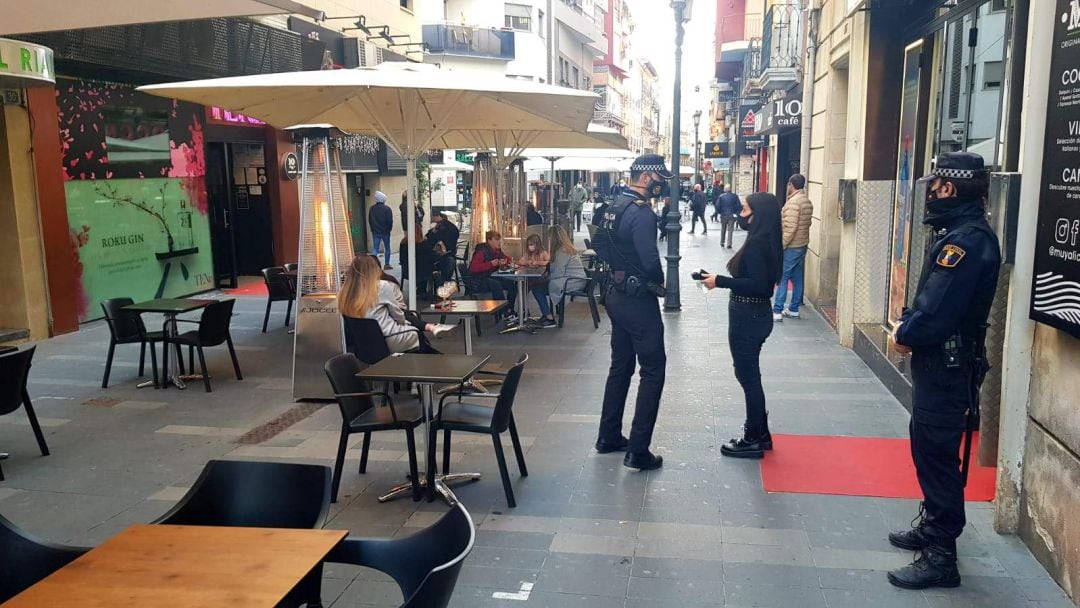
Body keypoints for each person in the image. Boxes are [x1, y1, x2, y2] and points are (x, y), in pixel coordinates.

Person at [887, 152, 1001, 591]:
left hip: (948, 366)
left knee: (936, 455)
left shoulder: (966, 242)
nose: (929, 193)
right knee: (929, 447)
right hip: (944, 365)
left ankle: (940, 555)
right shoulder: (961, 233)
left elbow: (936, 311)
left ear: (949, 188)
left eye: (934, 186)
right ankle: (934, 527)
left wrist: (905, 332)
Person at [592, 153, 672, 471]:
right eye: (659, 179)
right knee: (653, 369)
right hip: (637, 300)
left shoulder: (614, 205)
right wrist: (657, 284)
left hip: (614, 294)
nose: (661, 184)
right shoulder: (642, 214)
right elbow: (651, 260)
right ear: (645, 177)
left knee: (621, 366)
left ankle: (608, 435)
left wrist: (619, 266)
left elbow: (598, 243)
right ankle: (638, 450)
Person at [701, 193, 782, 460]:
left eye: (745, 209)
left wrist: (720, 281)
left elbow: (759, 286)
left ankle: (752, 438)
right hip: (752, 316)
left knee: (748, 378)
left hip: (749, 317)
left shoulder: (759, 243)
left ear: (758, 214)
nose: (740, 213)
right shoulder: (765, 239)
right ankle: (761, 432)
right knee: (749, 375)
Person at [338, 255, 456, 354]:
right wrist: (405, 323)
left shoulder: (345, 292)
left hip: (363, 344)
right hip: (386, 339)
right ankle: (425, 370)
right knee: (416, 334)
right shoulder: (381, 286)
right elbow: (398, 314)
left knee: (414, 333)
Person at [773, 174, 814, 321]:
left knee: (783, 277)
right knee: (797, 277)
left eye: (788, 184)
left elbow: (790, 227)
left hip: (792, 246)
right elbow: (806, 224)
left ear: (791, 184)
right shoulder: (807, 201)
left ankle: (777, 310)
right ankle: (794, 308)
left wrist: (782, 245)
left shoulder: (793, 203)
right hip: (802, 244)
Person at [467, 230, 518, 323]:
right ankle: (504, 312)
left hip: (488, 277)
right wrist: (490, 264)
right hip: (477, 281)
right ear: (489, 240)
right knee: (496, 284)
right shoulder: (481, 251)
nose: (499, 242)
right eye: (496, 239)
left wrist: (504, 262)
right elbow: (473, 268)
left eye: (499, 239)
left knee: (511, 284)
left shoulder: (496, 251)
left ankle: (510, 308)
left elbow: (506, 258)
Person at [547, 225, 589, 312]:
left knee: (539, 288)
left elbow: (558, 272)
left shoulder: (562, 252)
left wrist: (545, 278)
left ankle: (547, 315)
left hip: (573, 281)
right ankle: (548, 314)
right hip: (578, 280)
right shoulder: (566, 249)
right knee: (542, 286)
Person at [517, 234, 555, 328]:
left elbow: (549, 262)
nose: (530, 247)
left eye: (532, 244)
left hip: (542, 279)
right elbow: (520, 262)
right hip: (531, 278)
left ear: (537, 244)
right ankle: (524, 312)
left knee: (535, 289)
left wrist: (538, 263)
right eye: (529, 245)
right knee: (522, 288)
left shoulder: (543, 253)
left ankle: (547, 316)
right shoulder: (528, 254)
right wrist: (527, 262)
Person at [399, 225, 437, 296]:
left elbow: (401, 259)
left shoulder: (403, 244)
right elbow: (432, 258)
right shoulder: (424, 245)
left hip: (408, 271)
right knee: (431, 268)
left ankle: (421, 290)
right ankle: (423, 290)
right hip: (423, 272)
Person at [426, 211, 460, 281]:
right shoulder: (452, 228)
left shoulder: (442, 228)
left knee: (425, 261)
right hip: (447, 255)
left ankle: (438, 281)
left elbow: (430, 239)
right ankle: (441, 281)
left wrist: (433, 232)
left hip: (443, 257)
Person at [368, 191, 394, 270]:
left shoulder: (372, 208)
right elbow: (390, 221)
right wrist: (389, 229)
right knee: (387, 248)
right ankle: (386, 264)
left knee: (375, 248)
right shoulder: (387, 209)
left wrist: (372, 228)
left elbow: (370, 220)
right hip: (385, 231)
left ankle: (373, 264)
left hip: (375, 231)